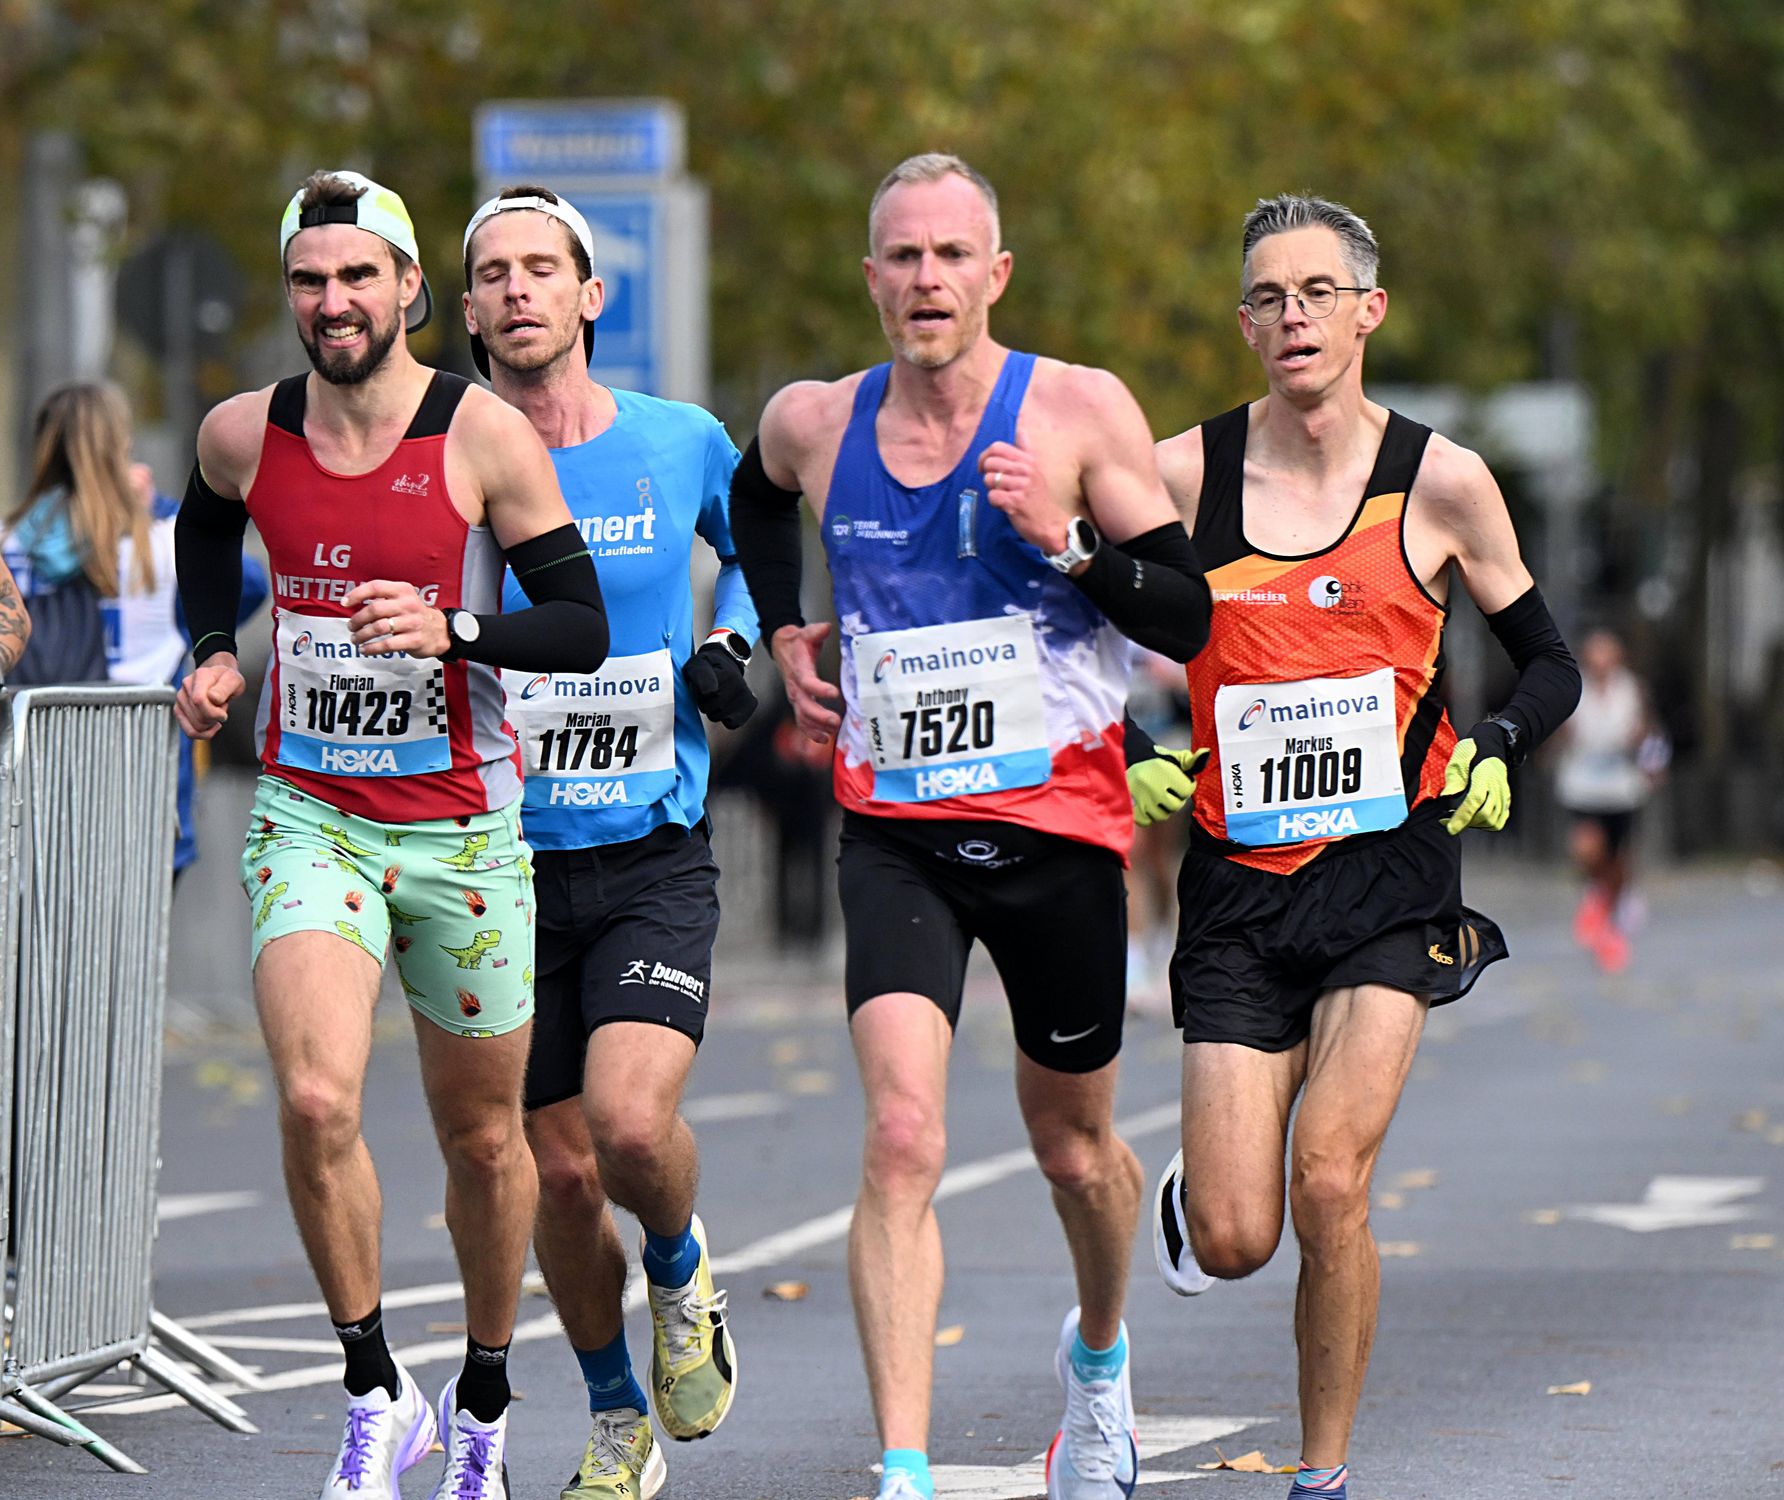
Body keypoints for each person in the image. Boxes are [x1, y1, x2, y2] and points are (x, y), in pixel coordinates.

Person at [730, 153, 1211, 1500]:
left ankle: (1099, 1362)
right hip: (898, 830)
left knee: (1073, 1150)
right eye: (903, 256)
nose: (926, 279)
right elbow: (753, 497)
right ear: (871, 277)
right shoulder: (816, 421)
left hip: (1060, 830)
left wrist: (1067, 541)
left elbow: (1185, 614)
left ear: (994, 274)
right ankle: (903, 1469)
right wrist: (783, 629)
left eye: (951, 255)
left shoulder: (1076, 408)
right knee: (901, 1137)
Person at [173, 169, 609, 1500]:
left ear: (411, 289)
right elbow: (205, 530)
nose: (334, 302)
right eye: (310, 280)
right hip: (313, 816)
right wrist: (212, 647)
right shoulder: (245, 433)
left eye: (359, 276)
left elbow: (579, 625)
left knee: (484, 1141)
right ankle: (374, 1388)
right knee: (315, 1098)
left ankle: (482, 1395)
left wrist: (454, 628)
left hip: (463, 833)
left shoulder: (482, 437)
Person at [1141, 193, 1580, 1500]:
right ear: (1244, 325)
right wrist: (1125, 745)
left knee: (1329, 1178)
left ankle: (1320, 1475)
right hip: (1236, 881)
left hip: (1389, 876)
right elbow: (1066, 623)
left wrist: (1495, 743)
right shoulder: (1178, 478)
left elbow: (1549, 662)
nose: (1294, 316)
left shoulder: (1442, 484)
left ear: (1368, 312)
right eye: (1268, 298)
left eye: (1318, 293)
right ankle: (1196, 1195)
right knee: (1237, 1236)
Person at [461, 184, 757, 1500]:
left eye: (543, 267)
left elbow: (757, 545)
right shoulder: (443, 455)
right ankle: (613, 1413)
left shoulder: (678, 438)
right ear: (466, 310)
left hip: (648, 850)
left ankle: (682, 1276)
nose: (518, 289)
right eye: (493, 273)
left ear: (590, 296)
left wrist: (733, 638)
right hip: (496, 861)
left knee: (631, 1130)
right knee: (562, 1175)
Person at [2, 381, 137, 685]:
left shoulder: (8, 539)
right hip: (135, 708)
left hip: (28, 707)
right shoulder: (152, 540)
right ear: (119, 445)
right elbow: (242, 586)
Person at [1554, 628, 1660, 972]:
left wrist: (1649, 758)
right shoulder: (1574, 689)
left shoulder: (1632, 689)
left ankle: (1608, 915)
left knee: (1617, 857)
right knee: (1586, 847)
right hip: (1583, 784)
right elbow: (1561, 731)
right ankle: (1596, 893)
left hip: (1621, 786)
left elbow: (1649, 732)